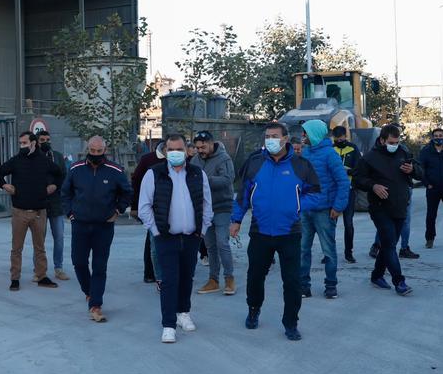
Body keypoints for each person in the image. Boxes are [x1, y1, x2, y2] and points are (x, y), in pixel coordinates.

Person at [230, 122, 323, 342]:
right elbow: (243, 195)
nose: (270, 140)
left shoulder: (301, 165)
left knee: (291, 281)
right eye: (267, 136)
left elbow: (317, 194)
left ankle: (291, 322)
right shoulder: (254, 163)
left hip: (289, 232)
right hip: (260, 231)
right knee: (255, 276)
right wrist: (236, 219)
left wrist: (297, 205)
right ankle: (253, 309)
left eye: (274, 136)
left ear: (285, 139)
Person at [138, 134, 213, 344]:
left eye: (179, 149)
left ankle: (183, 313)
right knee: (169, 280)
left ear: (187, 151)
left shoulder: (197, 173)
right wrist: (155, 231)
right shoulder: (154, 174)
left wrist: (203, 230)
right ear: (166, 152)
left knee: (187, 277)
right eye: (171, 150)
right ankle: (168, 324)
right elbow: (144, 206)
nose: (176, 153)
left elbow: (207, 204)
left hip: (191, 236)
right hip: (166, 237)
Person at [62, 136, 133, 323]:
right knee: (78, 262)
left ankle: (95, 305)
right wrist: (69, 213)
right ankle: (89, 292)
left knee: (100, 266)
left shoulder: (115, 171)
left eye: (99, 152)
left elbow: (127, 192)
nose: (95, 155)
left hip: (104, 226)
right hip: (80, 224)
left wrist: (117, 211)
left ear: (105, 150)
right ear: (87, 150)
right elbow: (65, 192)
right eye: (92, 151)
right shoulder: (75, 169)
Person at [353, 125, 422, 296]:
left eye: (397, 142)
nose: (394, 145)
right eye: (391, 142)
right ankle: (399, 281)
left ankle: (376, 275)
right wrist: (373, 185)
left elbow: (421, 174)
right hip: (379, 208)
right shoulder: (369, 158)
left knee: (388, 244)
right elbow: (357, 179)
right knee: (390, 243)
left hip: (400, 207)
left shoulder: (403, 153)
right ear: (382, 140)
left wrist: (413, 170)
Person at [0, 131, 66, 291]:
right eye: (20, 143)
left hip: (40, 212)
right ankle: (15, 279)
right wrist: (4, 185)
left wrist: (54, 186)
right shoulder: (16, 161)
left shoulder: (44, 161)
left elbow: (60, 174)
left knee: (40, 247)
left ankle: (42, 276)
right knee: (16, 248)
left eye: (25, 143)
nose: (22, 146)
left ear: (33, 143)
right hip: (19, 211)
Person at [297, 120, 350, 299]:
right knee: (303, 249)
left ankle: (331, 285)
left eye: (305, 133)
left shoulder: (330, 155)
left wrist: (338, 206)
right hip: (305, 211)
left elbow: (343, 182)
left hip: (324, 212)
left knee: (328, 250)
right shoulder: (304, 153)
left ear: (314, 134)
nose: (303, 136)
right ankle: (304, 286)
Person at [190, 130, 237, 296]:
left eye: (203, 147)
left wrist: (205, 180)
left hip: (222, 206)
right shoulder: (195, 159)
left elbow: (227, 180)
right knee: (210, 245)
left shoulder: (224, 159)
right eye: (197, 148)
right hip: (204, 208)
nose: (200, 150)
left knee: (222, 243)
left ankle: (229, 279)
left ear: (211, 143)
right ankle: (213, 280)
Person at [37, 130, 73, 281]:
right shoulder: (33, 157)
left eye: (48, 139)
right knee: (39, 239)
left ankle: (58, 268)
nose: (46, 142)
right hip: (39, 204)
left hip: (56, 204)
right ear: (37, 142)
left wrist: (55, 187)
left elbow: (64, 177)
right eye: (42, 140)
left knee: (59, 237)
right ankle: (39, 270)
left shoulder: (57, 156)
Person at [131, 141, 167, 284]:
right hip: (152, 207)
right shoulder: (148, 159)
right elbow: (136, 181)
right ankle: (150, 273)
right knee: (152, 242)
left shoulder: (179, 161)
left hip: (171, 207)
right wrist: (135, 206)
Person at [332, 127, 363, 264]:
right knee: (331, 224)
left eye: (342, 137)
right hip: (333, 192)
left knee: (348, 223)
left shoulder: (353, 149)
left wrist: (347, 172)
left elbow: (360, 169)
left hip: (349, 191)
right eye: (337, 138)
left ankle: (348, 252)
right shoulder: (331, 150)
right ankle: (329, 251)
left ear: (346, 136)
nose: (340, 140)